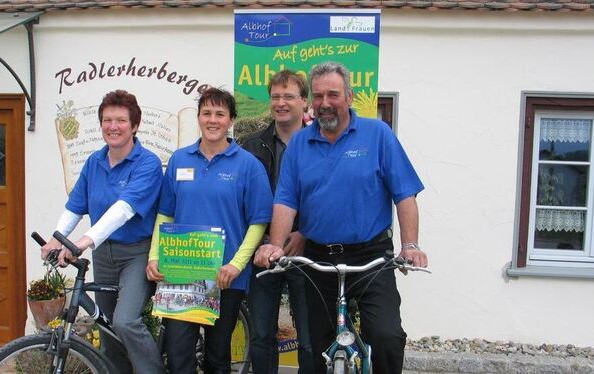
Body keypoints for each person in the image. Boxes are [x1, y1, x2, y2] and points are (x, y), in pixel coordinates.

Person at [254, 61, 428, 374]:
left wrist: (411, 245)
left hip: (372, 258)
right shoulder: (299, 146)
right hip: (318, 259)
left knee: (386, 336)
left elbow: (405, 194)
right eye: (318, 96)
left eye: (333, 94)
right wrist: (276, 245)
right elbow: (285, 200)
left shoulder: (377, 135)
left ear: (349, 97)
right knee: (318, 346)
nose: (325, 103)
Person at [146, 87, 273, 374]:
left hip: (225, 277)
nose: (212, 120)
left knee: (217, 356)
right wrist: (155, 256)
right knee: (178, 356)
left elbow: (258, 222)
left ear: (231, 120)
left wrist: (236, 265)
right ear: (199, 118)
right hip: (180, 274)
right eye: (206, 113)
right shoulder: (179, 160)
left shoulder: (249, 166)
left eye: (220, 114)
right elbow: (165, 213)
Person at [40, 89, 164, 373]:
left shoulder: (147, 164)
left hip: (137, 253)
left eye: (121, 120)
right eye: (107, 120)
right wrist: (55, 239)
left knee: (124, 320)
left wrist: (82, 242)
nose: (113, 126)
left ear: (135, 125)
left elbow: (123, 210)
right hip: (104, 256)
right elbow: (75, 207)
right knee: (105, 325)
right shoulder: (94, 162)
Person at [240, 70, 313, 374]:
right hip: (262, 252)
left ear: (304, 101)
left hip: (307, 251)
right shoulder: (250, 145)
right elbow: (241, 199)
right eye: (276, 97)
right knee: (261, 335)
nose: (281, 103)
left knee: (310, 338)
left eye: (289, 96)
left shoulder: (319, 142)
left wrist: (304, 234)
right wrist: (265, 240)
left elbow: (329, 197)